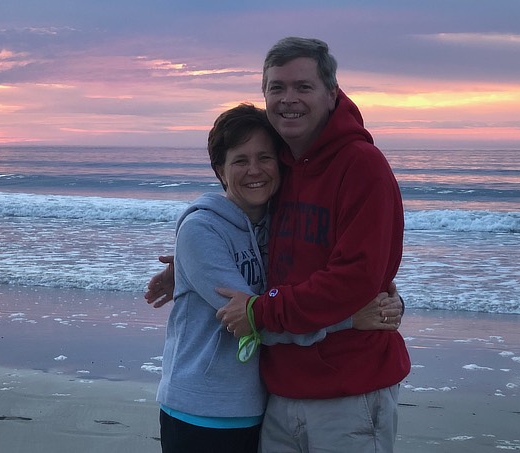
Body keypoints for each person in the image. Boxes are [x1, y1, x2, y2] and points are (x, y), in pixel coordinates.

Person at [156, 103, 402, 453]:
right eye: (240, 160)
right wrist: (350, 320)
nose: (254, 170)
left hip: (257, 406)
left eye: (265, 158)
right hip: (201, 408)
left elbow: (322, 281)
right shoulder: (201, 229)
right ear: (220, 171)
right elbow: (250, 320)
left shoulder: (277, 224)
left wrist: (384, 298)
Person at [213, 37, 409, 452]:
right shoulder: (278, 165)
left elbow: (354, 279)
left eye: (303, 87)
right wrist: (193, 258)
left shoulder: (362, 166)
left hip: (350, 392)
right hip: (279, 390)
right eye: (277, 87)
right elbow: (252, 231)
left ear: (331, 92)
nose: (289, 99)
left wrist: (259, 311)